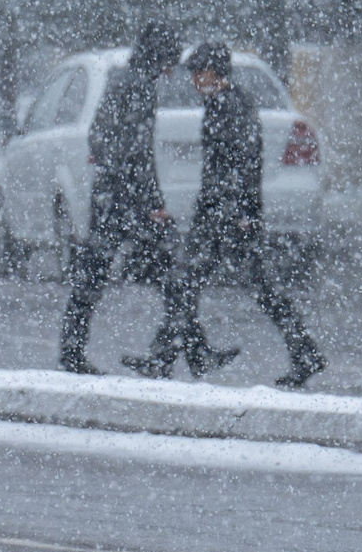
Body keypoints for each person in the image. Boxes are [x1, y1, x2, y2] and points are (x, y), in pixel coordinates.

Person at [125, 41, 325, 389]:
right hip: (220, 214)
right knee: (199, 284)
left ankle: (171, 357)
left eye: (197, 73)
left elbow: (245, 163)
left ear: (214, 73)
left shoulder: (232, 106)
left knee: (196, 283)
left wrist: (242, 213)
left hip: (227, 216)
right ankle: (183, 355)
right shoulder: (222, 104)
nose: (193, 81)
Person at [58, 19, 204, 376]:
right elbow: (138, 154)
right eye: (170, 59)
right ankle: (181, 352)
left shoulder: (121, 79)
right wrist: (153, 204)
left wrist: (110, 168)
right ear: (160, 57)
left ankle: (73, 351)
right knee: (176, 272)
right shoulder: (140, 87)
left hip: (109, 196)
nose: (173, 69)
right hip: (128, 202)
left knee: (92, 278)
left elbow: (99, 138)